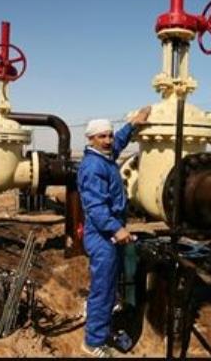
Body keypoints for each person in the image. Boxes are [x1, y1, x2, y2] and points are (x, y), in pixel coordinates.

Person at [78, 106, 151, 357]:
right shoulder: (93, 167)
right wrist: (117, 229)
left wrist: (133, 124)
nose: (108, 140)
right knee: (104, 290)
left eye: (109, 135)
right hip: (102, 236)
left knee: (108, 287)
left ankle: (100, 326)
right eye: (102, 136)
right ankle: (93, 343)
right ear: (91, 139)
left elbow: (119, 141)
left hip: (108, 232)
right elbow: (96, 207)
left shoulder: (105, 156)